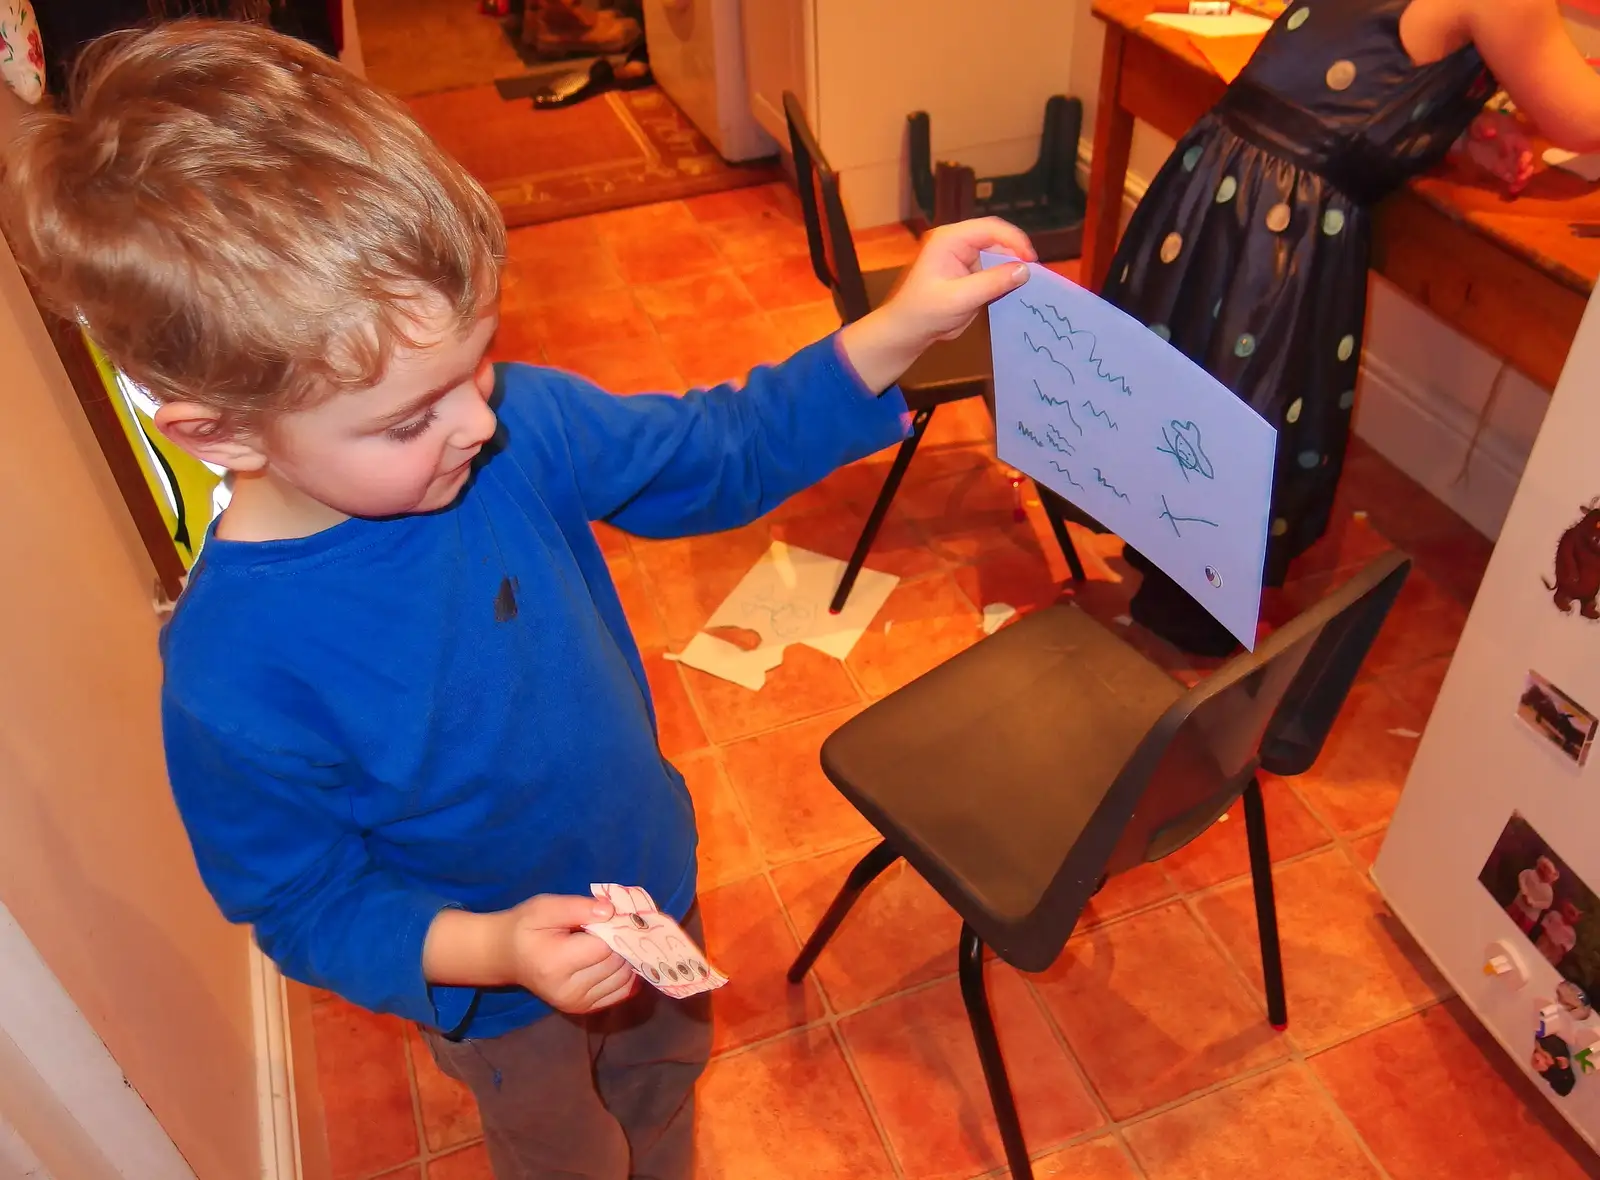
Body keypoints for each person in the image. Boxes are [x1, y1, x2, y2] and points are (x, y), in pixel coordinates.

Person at [0, 20, 1037, 1180]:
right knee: (566, 1152)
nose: (479, 423)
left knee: (662, 1082)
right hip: (502, 997)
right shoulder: (234, 671)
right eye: (410, 417)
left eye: (478, 364)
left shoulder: (516, 429)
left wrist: (893, 332)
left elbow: (719, 447)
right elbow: (300, 900)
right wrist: (488, 947)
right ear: (221, 431)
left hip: (651, 875)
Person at [1102, 0, 1600, 655]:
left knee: (1194, 383)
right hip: (1281, 220)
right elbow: (1581, 117)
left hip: (1218, 179)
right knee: (1248, 408)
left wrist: (1454, 125)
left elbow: (1363, 75)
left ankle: (1166, 574)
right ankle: (1188, 622)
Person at [1509, 855, 1560, 933]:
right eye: (1543, 867)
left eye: (1547, 870)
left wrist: (1533, 903)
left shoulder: (1548, 891)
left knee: (1519, 932)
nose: (1543, 871)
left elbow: (1547, 903)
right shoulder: (1530, 873)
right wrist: (1524, 893)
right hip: (1518, 905)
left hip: (1530, 916)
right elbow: (1522, 877)